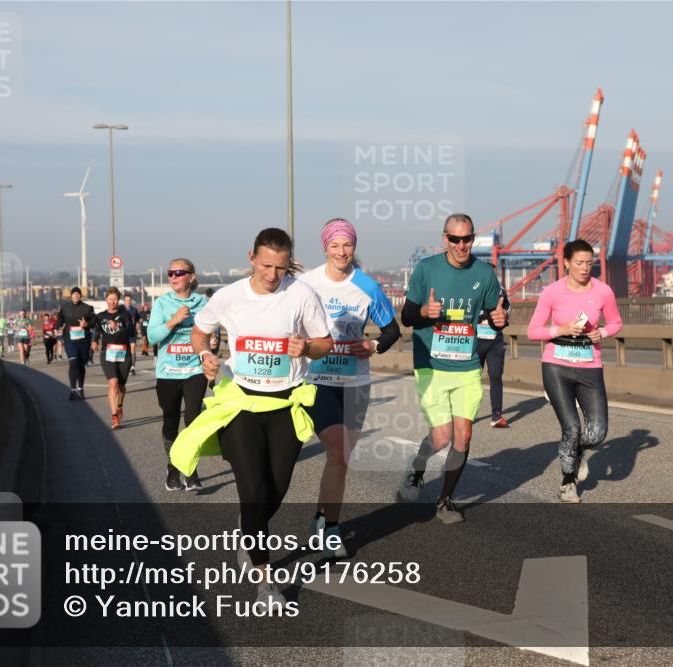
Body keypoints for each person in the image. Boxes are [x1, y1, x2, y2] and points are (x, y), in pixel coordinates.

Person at [170, 228, 332, 608]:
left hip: (285, 405)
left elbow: (325, 344)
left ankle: (248, 532)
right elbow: (199, 332)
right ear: (251, 258)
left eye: (280, 267)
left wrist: (307, 346)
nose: (273, 275)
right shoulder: (229, 297)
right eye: (266, 266)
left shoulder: (301, 294)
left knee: (275, 491)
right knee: (254, 492)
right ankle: (266, 581)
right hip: (241, 404)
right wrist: (205, 355)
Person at [298, 218, 401, 557]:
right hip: (318, 380)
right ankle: (332, 529)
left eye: (347, 245)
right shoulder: (306, 284)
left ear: (354, 247)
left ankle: (321, 517)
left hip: (356, 381)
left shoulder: (368, 287)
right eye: (335, 245)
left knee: (340, 459)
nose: (342, 252)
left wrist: (373, 346)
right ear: (325, 247)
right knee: (338, 452)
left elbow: (391, 331)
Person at [396, 213, 506, 523]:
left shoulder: (484, 274)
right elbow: (407, 317)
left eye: (467, 239)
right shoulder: (426, 269)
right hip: (431, 365)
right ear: (445, 239)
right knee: (441, 438)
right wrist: (424, 312)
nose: (461, 245)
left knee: (464, 436)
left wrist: (501, 320)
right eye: (455, 239)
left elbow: (495, 312)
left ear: (473, 238)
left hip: (467, 366)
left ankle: (445, 500)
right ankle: (418, 465)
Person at [526, 239, 622, 503]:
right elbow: (533, 331)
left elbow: (615, 322)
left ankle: (576, 452)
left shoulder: (603, 291)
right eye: (579, 263)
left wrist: (601, 332)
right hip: (556, 366)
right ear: (566, 263)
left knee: (597, 432)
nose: (584, 268)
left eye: (589, 263)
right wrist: (561, 329)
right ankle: (568, 483)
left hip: (590, 367)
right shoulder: (552, 292)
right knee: (571, 427)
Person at [148, 259, 210, 491]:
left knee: (193, 420)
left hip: (195, 370)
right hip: (168, 372)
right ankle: (173, 468)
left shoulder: (202, 303)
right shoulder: (162, 303)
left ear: (191, 277)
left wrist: (211, 340)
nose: (173, 277)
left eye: (179, 272)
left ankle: (191, 471)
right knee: (171, 421)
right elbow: (152, 337)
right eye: (170, 273)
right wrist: (173, 321)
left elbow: (210, 330)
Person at [93, 287, 137, 429]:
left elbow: (131, 331)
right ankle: (114, 416)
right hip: (108, 353)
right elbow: (97, 331)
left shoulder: (125, 314)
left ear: (118, 300)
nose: (112, 302)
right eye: (110, 299)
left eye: (115, 299)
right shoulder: (100, 316)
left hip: (124, 353)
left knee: (122, 387)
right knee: (113, 383)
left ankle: (119, 406)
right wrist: (94, 340)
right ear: (106, 299)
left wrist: (118, 325)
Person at [477, 286, 511, 428]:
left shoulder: (501, 292)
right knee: (470, 379)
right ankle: (464, 414)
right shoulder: (472, 287)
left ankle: (496, 416)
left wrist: (503, 314)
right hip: (475, 340)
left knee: (496, 376)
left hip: (495, 341)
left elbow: (508, 312)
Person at [56, 287, 97, 400]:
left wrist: (87, 324)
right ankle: (73, 390)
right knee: (73, 362)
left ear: (80, 296)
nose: (76, 296)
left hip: (84, 340)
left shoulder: (87, 308)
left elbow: (94, 321)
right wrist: (58, 327)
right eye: (74, 294)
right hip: (70, 339)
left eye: (78, 294)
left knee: (80, 364)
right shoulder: (65, 307)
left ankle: (81, 389)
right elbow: (60, 319)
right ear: (71, 295)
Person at [123, 293, 140, 375]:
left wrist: (138, 323)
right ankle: (125, 366)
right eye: (126, 300)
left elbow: (138, 319)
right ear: (124, 301)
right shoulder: (121, 310)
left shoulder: (134, 310)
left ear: (131, 301)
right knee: (125, 351)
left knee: (133, 348)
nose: (128, 302)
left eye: (129, 300)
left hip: (132, 333)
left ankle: (133, 368)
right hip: (123, 334)